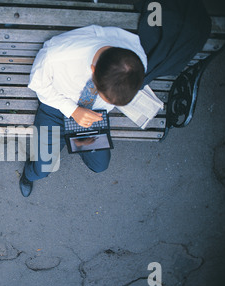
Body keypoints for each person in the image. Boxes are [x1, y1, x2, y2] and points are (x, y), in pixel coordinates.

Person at [19, 25, 147, 197]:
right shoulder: (57, 56)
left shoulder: (137, 61)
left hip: (94, 113)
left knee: (100, 165)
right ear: (93, 71)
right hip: (57, 107)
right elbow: (38, 85)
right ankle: (28, 174)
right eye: (104, 95)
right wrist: (72, 110)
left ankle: (75, 142)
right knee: (43, 169)